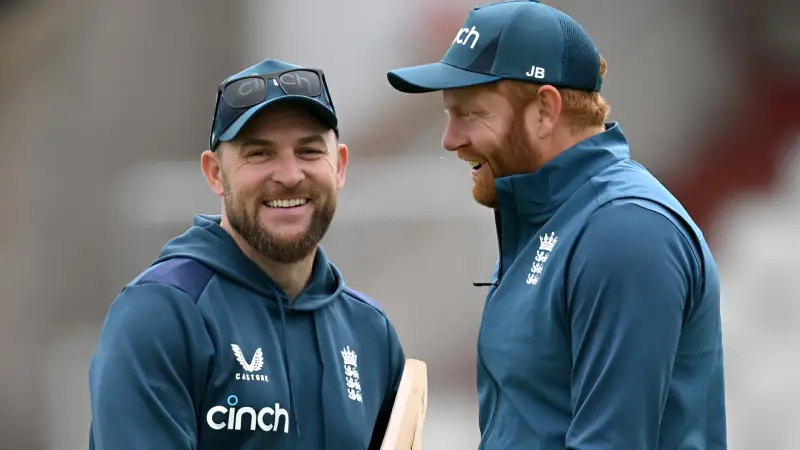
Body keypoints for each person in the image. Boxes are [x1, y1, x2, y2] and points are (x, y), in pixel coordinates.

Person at [386, 1, 727, 449]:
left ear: (545, 110)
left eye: (470, 113)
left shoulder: (624, 232)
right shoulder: (552, 222)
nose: (450, 140)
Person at [88, 58, 406, 450]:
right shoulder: (161, 314)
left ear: (339, 166)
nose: (289, 175)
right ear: (215, 174)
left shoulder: (370, 332)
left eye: (309, 151)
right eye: (259, 153)